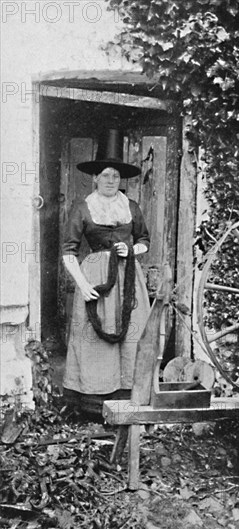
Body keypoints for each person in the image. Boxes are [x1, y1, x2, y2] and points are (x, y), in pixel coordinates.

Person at [61, 129, 151, 416]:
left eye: (115, 175)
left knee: (132, 333)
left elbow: (145, 241)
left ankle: (129, 397)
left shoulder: (131, 207)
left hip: (128, 280)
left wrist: (132, 251)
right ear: (95, 177)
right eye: (105, 174)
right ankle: (93, 404)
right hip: (97, 279)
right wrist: (82, 283)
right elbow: (68, 251)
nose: (111, 180)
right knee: (95, 336)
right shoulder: (83, 208)